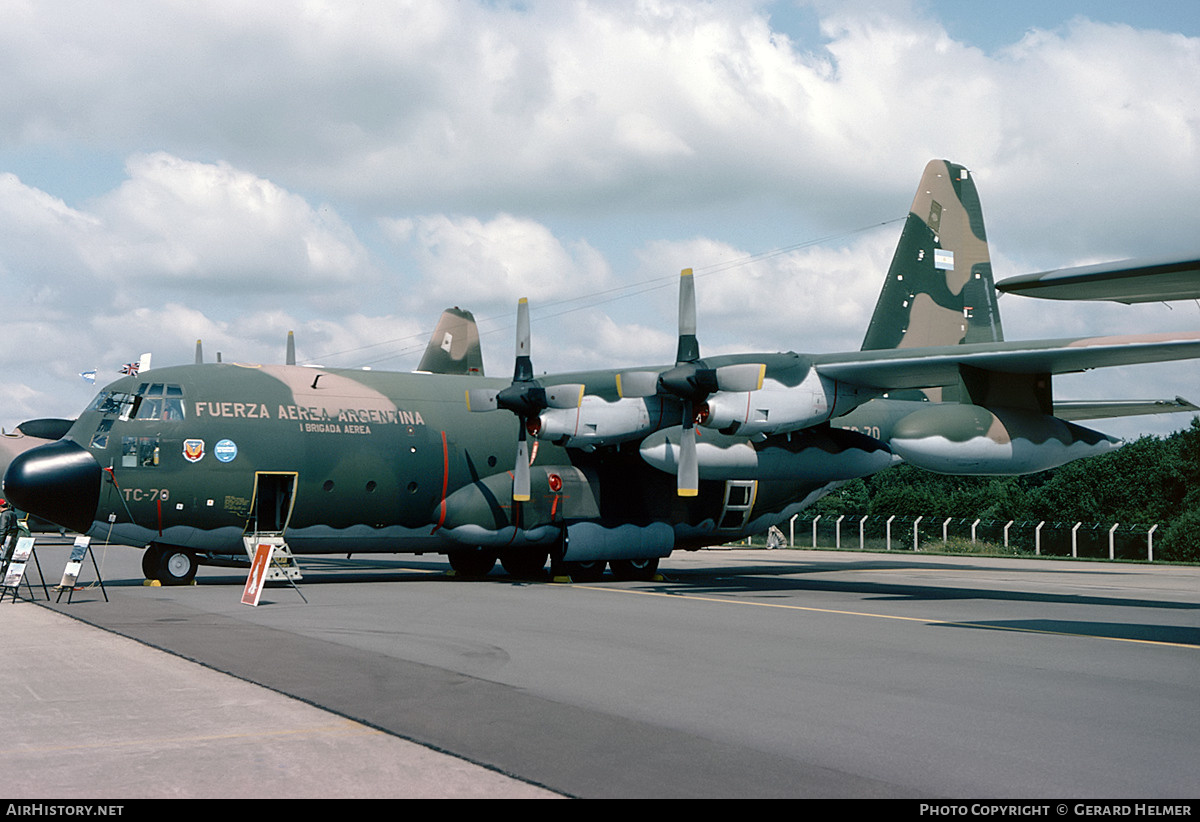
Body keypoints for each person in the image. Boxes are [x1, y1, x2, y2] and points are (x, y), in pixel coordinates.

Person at [0, 499, 19, 567]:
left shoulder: (4, 515)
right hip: (12, 537)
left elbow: (2, 529)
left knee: (4, 558)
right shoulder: (12, 513)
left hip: (6, 539)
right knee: (9, 556)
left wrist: (0, 541)